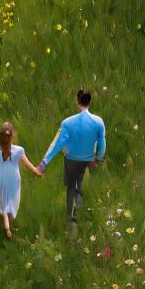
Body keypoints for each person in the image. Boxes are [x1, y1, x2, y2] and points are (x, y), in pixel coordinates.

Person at [37, 89, 106, 227]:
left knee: (71, 186)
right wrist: (98, 159)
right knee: (81, 183)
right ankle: (80, 210)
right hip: (89, 159)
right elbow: (102, 143)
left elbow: (57, 143)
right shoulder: (98, 122)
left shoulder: (67, 123)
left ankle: (71, 218)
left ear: (77, 102)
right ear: (89, 101)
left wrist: (45, 162)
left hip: (71, 159)